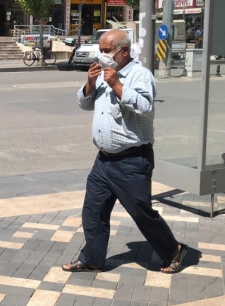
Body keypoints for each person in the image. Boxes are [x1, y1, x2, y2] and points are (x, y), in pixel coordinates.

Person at [63, 29, 187, 274]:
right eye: (101, 49)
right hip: (104, 160)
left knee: (141, 213)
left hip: (131, 160)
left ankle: (172, 250)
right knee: (93, 210)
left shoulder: (140, 75)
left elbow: (145, 106)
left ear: (124, 52)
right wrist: (90, 82)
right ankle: (92, 258)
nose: (102, 54)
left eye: (107, 50)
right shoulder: (101, 74)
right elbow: (84, 104)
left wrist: (117, 84)